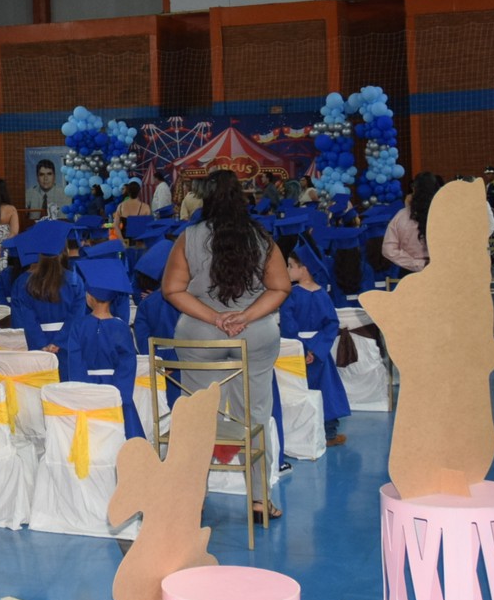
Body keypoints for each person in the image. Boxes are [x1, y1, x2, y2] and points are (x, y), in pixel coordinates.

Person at [161, 170, 290, 497]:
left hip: (201, 335)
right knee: (256, 415)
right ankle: (260, 499)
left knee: (198, 415)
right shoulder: (261, 238)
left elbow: (173, 290)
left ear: (207, 199)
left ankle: (193, 499)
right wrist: (245, 315)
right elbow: (280, 287)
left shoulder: (189, 237)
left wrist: (216, 318)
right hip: (254, 334)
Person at [277, 239, 350, 444]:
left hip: (298, 351)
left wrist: (304, 349)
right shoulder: (323, 295)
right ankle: (329, 433)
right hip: (320, 353)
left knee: (300, 389)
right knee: (326, 390)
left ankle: (302, 433)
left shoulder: (289, 296)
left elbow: (289, 327)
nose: (286, 269)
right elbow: (331, 324)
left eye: (290, 265)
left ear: (304, 268)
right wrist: (316, 350)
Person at [70, 259, 144, 439]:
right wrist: (121, 395)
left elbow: (74, 360)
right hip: (115, 387)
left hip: (86, 387)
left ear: (89, 297)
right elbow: (127, 363)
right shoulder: (121, 328)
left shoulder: (78, 326)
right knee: (123, 433)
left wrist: (80, 389)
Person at [9, 221, 86, 380]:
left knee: (42, 389)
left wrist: (41, 344)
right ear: (63, 251)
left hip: (38, 347)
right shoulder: (74, 280)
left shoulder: (27, 283)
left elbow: (28, 319)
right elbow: (77, 316)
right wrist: (59, 341)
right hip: (68, 345)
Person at [383, 174, 441, 274]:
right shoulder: (444, 215)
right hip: (440, 271)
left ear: (414, 189)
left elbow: (388, 249)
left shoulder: (401, 216)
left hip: (409, 273)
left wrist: (415, 263)